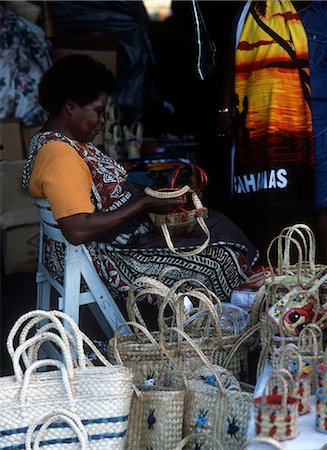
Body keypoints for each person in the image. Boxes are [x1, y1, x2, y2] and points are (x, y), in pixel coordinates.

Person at [22, 54, 264, 312]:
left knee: (214, 222)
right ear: (70, 106)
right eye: (98, 111)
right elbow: (77, 229)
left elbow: (107, 188)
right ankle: (235, 318)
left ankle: (243, 296)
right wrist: (143, 205)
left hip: (110, 244)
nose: (103, 120)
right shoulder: (61, 156)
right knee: (222, 258)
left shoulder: (55, 142)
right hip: (106, 258)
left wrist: (152, 195)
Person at [218, 0, 320, 264]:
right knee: (261, 203)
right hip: (256, 123)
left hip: (309, 125)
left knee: (304, 204)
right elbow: (231, 54)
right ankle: (265, 271)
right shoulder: (249, 9)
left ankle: (304, 273)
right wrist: (225, 109)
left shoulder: (319, 13)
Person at [296, 1, 327, 263]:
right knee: (289, 198)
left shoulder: (322, 15)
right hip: (278, 119)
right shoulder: (265, 10)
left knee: (321, 200)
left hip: (320, 119)